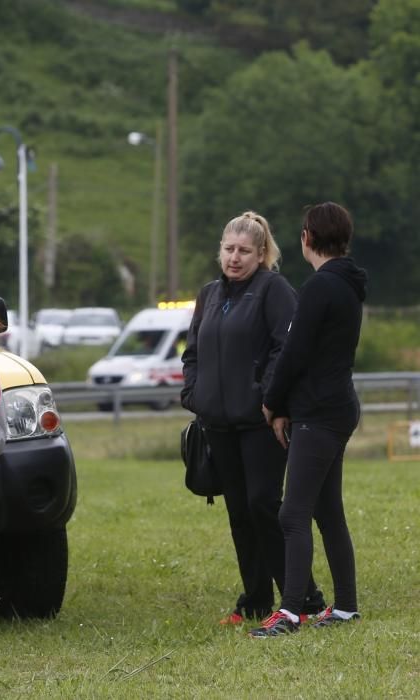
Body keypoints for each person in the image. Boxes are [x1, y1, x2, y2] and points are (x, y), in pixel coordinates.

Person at [181, 211, 325, 627]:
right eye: (229, 249)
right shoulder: (208, 294)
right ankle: (256, 600)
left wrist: (270, 398)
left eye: (245, 251)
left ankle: (302, 597)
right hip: (217, 423)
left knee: (265, 505)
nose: (235, 257)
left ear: (262, 254)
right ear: (220, 251)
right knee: (239, 512)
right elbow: (192, 351)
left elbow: (288, 348)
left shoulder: (273, 290)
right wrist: (193, 393)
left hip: (260, 422)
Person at [251, 202, 367, 638]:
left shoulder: (320, 287)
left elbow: (296, 353)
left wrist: (273, 402)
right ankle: (345, 608)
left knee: (293, 513)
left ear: (306, 238)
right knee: (327, 510)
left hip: (318, 412)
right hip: (337, 405)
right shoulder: (349, 284)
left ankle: (291, 613)